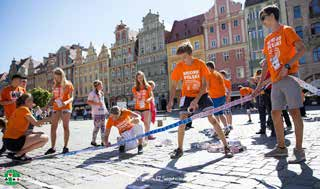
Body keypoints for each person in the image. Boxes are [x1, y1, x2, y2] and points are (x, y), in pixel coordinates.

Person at [253, 5, 306, 163]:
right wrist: (258, 86)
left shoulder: (287, 30)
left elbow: (302, 49)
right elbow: (266, 65)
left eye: (264, 17)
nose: (262, 21)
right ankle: (281, 148)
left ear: (272, 15)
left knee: (294, 112)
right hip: (275, 82)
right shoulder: (267, 39)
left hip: (289, 77)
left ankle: (299, 150)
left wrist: (287, 66)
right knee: (275, 113)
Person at [167, 42, 233, 159]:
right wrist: (171, 100)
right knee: (182, 122)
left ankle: (226, 146)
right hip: (186, 96)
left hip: (201, 94)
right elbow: (173, 86)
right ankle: (180, 149)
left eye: (184, 57)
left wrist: (196, 100)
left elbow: (204, 85)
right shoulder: (179, 66)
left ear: (190, 54)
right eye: (181, 58)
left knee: (212, 119)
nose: (182, 60)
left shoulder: (200, 64)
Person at [3, 93, 49, 161]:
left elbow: (22, 130)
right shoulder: (24, 109)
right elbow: (37, 123)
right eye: (32, 101)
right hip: (14, 142)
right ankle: (19, 154)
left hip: (8, 142)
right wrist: (49, 118)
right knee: (45, 138)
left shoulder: (19, 109)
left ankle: (20, 154)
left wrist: (35, 133)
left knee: (39, 134)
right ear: (26, 101)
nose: (33, 103)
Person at [44, 68, 74, 155]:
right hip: (56, 107)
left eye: (58, 77)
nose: (56, 79)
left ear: (62, 76)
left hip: (66, 107)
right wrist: (47, 105)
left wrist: (65, 102)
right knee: (53, 127)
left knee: (65, 127)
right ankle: (52, 147)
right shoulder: (55, 85)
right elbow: (53, 97)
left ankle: (65, 147)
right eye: (55, 77)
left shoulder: (68, 84)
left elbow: (72, 97)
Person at [206, 62, 232, 136]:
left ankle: (217, 131)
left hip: (215, 97)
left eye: (206, 68)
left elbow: (207, 87)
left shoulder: (209, 75)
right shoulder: (218, 74)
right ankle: (226, 127)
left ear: (209, 67)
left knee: (216, 115)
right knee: (220, 113)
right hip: (222, 96)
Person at [132, 71, 155, 141]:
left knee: (146, 123)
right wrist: (135, 98)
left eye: (141, 77)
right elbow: (134, 98)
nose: (140, 79)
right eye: (139, 78)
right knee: (137, 121)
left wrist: (148, 99)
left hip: (146, 107)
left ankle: (146, 138)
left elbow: (152, 96)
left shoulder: (148, 87)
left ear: (143, 77)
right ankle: (138, 137)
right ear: (137, 79)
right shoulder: (134, 88)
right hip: (137, 107)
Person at [87, 80, 108, 147]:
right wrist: (97, 103)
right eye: (100, 85)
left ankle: (103, 141)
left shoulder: (101, 93)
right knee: (97, 127)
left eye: (102, 85)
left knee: (103, 127)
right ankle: (93, 141)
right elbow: (89, 102)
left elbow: (103, 103)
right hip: (96, 113)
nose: (102, 86)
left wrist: (106, 110)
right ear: (96, 86)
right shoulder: (92, 93)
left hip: (102, 112)